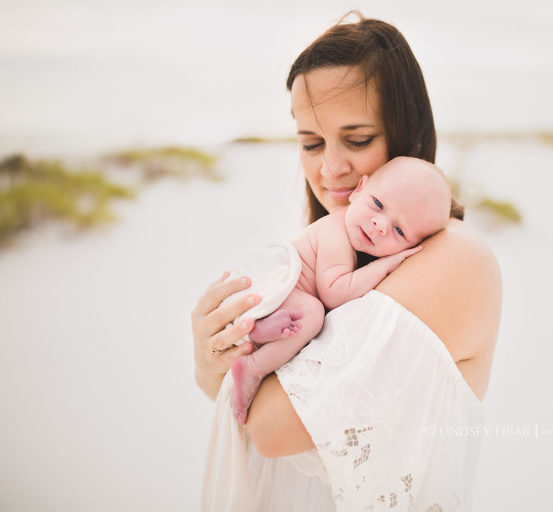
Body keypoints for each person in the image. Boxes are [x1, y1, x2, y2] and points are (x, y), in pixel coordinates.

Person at [191, 13, 501, 511]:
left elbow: (270, 427)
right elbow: (243, 409)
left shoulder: (455, 259)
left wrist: (232, 368)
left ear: (409, 135)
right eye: (311, 142)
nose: (329, 168)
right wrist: (210, 360)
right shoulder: (325, 252)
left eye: (357, 140)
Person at [226, 157, 452, 425]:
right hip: (268, 289)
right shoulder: (336, 231)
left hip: (272, 297)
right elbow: (335, 292)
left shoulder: (349, 231)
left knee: (305, 310)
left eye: (399, 231)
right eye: (378, 204)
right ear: (359, 190)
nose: (380, 224)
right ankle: (253, 367)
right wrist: (382, 266)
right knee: (312, 313)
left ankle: (262, 328)